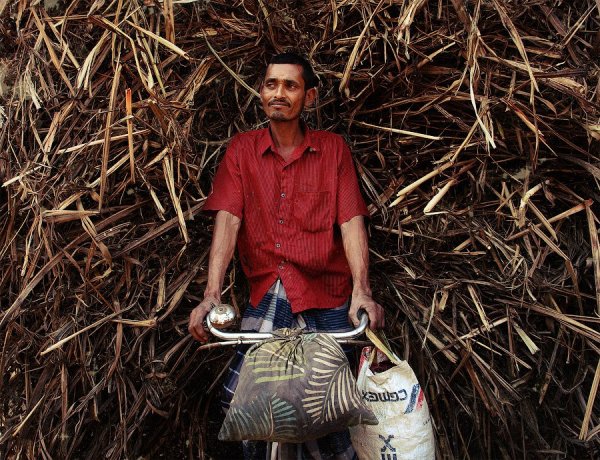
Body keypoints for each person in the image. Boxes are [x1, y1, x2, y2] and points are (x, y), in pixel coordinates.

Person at [188, 52, 384, 459]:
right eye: (271, 84)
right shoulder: (242, 150)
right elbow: (228, 220)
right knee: (240, 403)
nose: (279, 93)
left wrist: (361, 293)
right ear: (262, 91)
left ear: (308, 97)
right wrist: (211, 294)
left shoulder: (332, 151)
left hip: (325, 299)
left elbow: (351, 222)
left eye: (290, 86)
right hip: (268, 296)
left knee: (327, 417)